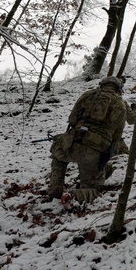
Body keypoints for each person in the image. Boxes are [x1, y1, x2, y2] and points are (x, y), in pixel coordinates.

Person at [48, 76, 131, 204]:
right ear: (118, 89)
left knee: (58, 158)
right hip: (94, 151)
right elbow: (117, 135)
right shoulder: (120, 104)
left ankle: (54, 193)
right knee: (94, 189)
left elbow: (72, 119)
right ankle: (75, 197)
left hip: (72, 141)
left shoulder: (88, 95)